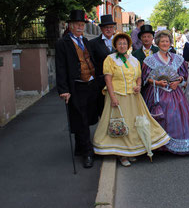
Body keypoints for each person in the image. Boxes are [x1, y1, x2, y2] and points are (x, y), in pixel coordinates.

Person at [93, 33, 170, 166]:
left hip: (133, 97)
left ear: (128, 45)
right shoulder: (110, 59)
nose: (122, 46)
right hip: (118, 95)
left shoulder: (133, 60)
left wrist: (139, 86)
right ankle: (121, 155)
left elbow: (139, 77)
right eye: (119, 43)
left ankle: (131, 151)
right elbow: (108, 79)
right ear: (115, 46)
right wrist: (112, 97)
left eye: (124, 43)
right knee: (120, 125)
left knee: (134, 124)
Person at [142, 30, 189, 155]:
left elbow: (183, 76)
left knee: (177, 118)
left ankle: (176, 145)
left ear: (170, 43)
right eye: (162, 41)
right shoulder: (150, 60)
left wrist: (177, 81)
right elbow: (145, 78)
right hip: (157, 93)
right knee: (159, 116)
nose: (164, 43)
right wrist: (157, 83)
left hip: (175, 93)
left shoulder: (178, 59)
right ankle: (160, 145)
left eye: (167, 41)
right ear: (157, 43)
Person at [56, 10, 100, 168]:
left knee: (87, 118)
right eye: (77, 24)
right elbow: (60, 68)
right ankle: (88, 153)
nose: (80, 27)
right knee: (80, 119)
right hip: (76, 86)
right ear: (71, 26)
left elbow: (91, 60)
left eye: (82, 24)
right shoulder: (63, 43)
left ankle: (80, 147)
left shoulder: (86, 41)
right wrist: (63, 89)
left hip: (91, 85)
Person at [89, 14, 116, 117]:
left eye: (110, 27)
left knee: (116, 107)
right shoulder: (93, 43)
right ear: (101, 29)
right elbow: (92, 63)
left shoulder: (119, 42)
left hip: (117, 82)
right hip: (101, 82)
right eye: (106, 27)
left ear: (113, 28)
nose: (108, 29)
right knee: (103, 109)